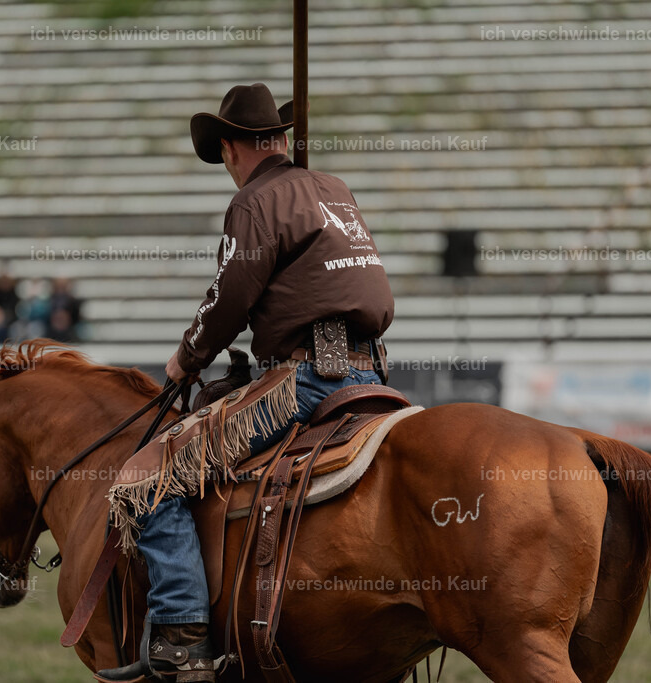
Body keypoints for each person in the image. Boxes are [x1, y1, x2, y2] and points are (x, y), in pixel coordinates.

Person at [97, 83, 394, 682]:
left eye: (225, 155)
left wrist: (189, 355)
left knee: (146, 479)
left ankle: (182, 642)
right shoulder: (332, 189)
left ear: (233, 148)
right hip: (372, 370)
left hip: (305, 379)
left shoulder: (255, 202)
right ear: (280, 138)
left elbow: (232, 294)